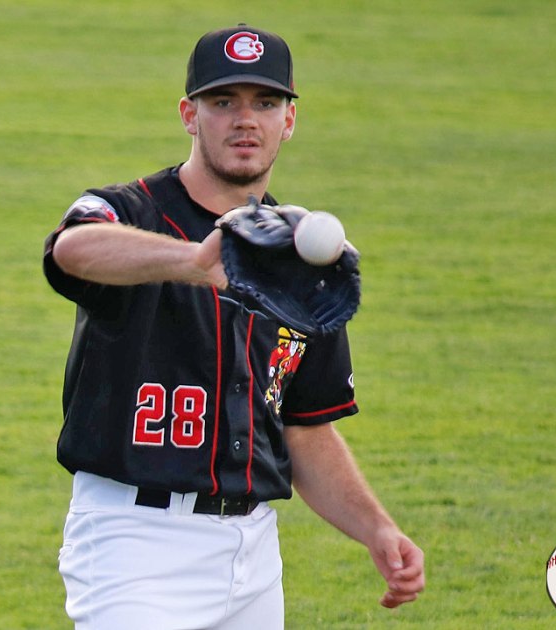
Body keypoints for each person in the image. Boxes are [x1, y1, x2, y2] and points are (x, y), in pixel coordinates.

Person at [43, 24, 425, 629]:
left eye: (265, 103)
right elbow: (72, 250)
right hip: (134, 544)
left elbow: (304, 428)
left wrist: (377, 528)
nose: (245, 120)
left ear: (289, 121)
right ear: (188, 115)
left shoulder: (302, 260)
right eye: (223, 102)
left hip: (253, 555)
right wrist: (191, 262)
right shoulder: (131, 211)